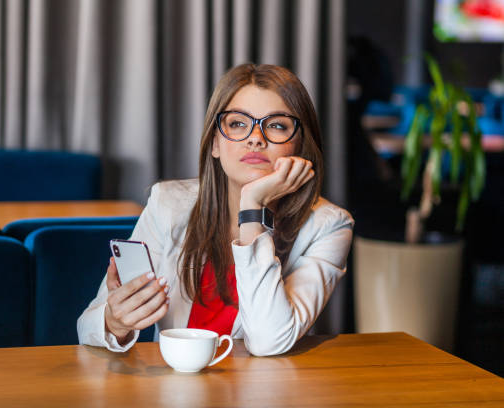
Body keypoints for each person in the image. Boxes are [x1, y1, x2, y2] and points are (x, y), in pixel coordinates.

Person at [77, 63, 354, 356]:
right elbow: (87, 326)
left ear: (300, 146)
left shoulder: (328, 225)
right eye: (237, 124)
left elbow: (268, 341)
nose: (256, 137)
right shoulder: (168, 203)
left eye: (276, 125)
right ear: (215, 144)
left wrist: (253, 206)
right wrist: (114, 322)